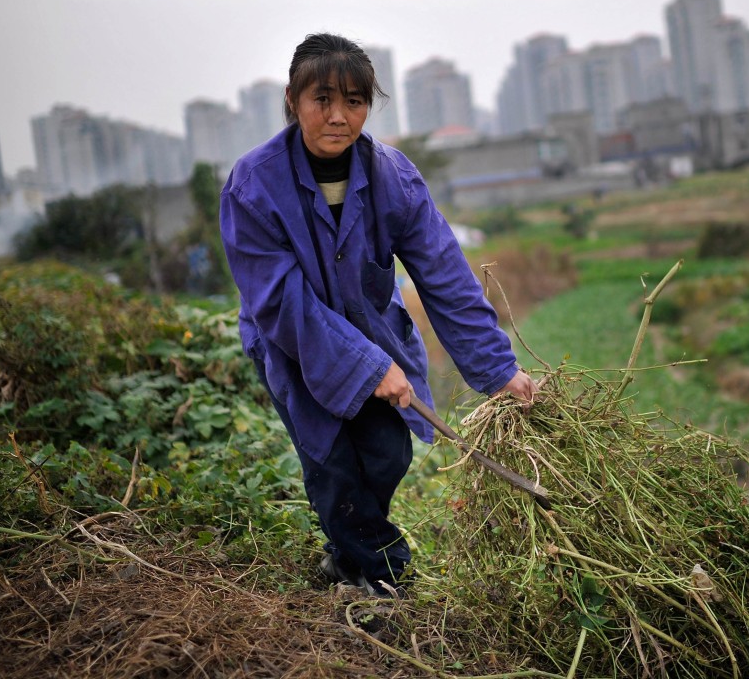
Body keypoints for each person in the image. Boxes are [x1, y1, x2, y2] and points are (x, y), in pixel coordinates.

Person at [219, 32, 536, 597]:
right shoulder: (254, 185)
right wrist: (366, 370)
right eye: (323, 100)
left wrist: (497, 370)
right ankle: (384, 578)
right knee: (332, 461)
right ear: (293, 100)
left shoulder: (393, 176)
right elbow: (280, 301)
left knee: (388, 453)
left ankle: (346, 555)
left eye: (356, 101)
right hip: (293, 342)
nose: (339, 117)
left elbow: (443, 274)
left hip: (372, 332)